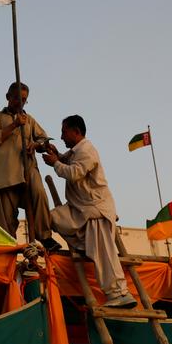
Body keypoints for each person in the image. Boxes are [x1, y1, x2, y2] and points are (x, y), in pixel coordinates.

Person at [42, 115, 136, 308]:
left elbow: (74, 173)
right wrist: (56, 155)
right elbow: (65, 160)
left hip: (95, 212)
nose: (61, 136)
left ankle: (120, 294)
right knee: (51, 217)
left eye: (64, 132)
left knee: (104, 254)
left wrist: (55, 163)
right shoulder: (76, 151)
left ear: (76, 131)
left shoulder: (87, 150)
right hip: (80, 211)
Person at [0, 82, 61, 251]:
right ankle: (7, 252)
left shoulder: (29, 120)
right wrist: (15, 124)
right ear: (8, 97)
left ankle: (45, 236)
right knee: (5, 224)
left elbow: (44, 139)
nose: (20, 102)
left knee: (39, 193)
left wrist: (37, 145)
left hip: (27, 168)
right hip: (4, 174)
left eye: (24, 99)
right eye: (17, 98)